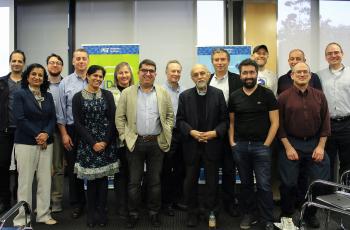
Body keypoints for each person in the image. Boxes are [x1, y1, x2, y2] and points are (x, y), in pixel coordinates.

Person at [115, 59, 174, 228]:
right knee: (134, 181)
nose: (148, 73)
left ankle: (154, 213)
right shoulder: (127, 93)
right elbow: (120, 118)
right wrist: (125, 137)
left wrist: (166, 132)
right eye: (144, 70)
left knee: (154, 181)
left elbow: (170, 115)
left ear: (155, 74)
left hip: (156, 143)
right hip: (135, 142)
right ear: (139, 72)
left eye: (151, 71)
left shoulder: (163, 92)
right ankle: (133, 214)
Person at [278, 62, 330, 228]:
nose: (301, 74)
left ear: (309, 75)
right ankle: (286, 213)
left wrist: (321, 146)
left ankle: (310, 214)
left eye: (305, 72)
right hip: (291, 143)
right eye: (298, 72)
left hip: (315, 143)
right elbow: (279, 126)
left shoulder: (320, 96)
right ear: (292, 75)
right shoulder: (283, 97)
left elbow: (326, 124)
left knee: (319, 182)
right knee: (288, 183)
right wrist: (288, 147)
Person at [228, 59, 278, 230]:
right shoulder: (234, 96)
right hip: (240, 147)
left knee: (264, 184)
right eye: (245, 73)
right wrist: (232, 143)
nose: (248, 76)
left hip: (261, 147)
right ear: (240, 75)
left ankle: (268, 218)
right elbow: (232, 123)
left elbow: (275, 122)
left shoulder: (267, 94)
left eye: (251, 72)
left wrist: (266, 145)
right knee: (246, 184)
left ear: (256, 74)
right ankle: (248, 214)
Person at [177, 64, 228, 227]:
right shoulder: (184, 96)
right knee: (189, 183)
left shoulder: (218, 94)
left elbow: (225, 120)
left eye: (202, 73)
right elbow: (180, 121)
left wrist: (215, 133)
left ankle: (211, 212)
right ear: (192, 78)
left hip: (212, 145)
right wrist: (191, 132)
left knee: (212, 183)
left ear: (208, 75)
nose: (200, 77)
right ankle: (192, 213)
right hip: (191, 145)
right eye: (196, 74)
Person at [73, 65, 119, 228]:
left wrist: (105, 142)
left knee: (103, 180)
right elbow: (78, 123)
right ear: (88, 76)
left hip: (106, 142)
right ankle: (91, 213)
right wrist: (93, 143)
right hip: (88, 143)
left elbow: (113, 119)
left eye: (101, 77)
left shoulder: (107, 95)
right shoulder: (77, 97)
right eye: (95, 76)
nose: (98, 79)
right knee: (91, 181)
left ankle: (102, 213)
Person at [13, 63, 57, 226]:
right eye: (34, 74)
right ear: (27, 76)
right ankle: (21, 219)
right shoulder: (20, 94)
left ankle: (44, 215)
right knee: (25, 182)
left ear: (44, 78)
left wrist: (46, 134)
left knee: (45, 181)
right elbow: (20, 119)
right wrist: (38, 135)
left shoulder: (48, 95)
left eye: (40, 75)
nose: (37, 77)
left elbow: (52, 118)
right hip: (25, 143)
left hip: (46, 142)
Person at [208, 48, 242, 217]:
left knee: (229, 169)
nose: (220, 62)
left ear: (228, 61)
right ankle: (212, 204)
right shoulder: (205, 80)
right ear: (212, 62)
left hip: (231, 132)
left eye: (223, 59)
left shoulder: (237, 80)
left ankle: (229, 203)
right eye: (216, 59)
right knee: (212, 170)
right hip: (212, 133)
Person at [57, 48, 89, 218]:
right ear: (73, 61)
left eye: (84, 58)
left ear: (88, 61)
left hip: (91, 131)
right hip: (71, 130)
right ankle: (78, 204)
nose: (81, 61)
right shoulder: (66, 83)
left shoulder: (95, 80)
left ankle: (92, 202)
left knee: (91, 167)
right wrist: (64, 134)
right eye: (78, 59)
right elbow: (61, 112)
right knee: (75, 170)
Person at [318, 42, 350, 182]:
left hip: (347, 124)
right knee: (328, 163)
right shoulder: (319, 76)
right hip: (327, 125)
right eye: (329, 53)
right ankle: (329, 196)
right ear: (326, 57)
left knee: (347, 163)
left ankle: (346, 196)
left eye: (336, 52)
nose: (333, 55)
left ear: (342, 54)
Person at [0, 50, 25, 214]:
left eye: (20, 61)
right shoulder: (1, 82)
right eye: (14, 60)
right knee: (2, 166)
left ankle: (19, 199)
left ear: (23, 64)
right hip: (4, 131)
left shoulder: (28, 83)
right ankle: (5, 200)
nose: (16, 63)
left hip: (23, 132)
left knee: (21, 169)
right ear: (10, 62)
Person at [109, 62, 134, 218]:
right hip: (117, 140)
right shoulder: (109, 93)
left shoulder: (136, 90)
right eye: (120, 73)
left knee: (135, 174)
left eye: (126, 72)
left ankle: (134, 204)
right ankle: (122, 206)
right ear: (116, 75)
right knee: (120, 174)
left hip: (135, 140)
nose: (124, 76)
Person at [161, 60, 186, 216]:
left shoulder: (185, 91)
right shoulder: (160, 90)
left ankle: (177, 200)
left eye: (178, 71)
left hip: (182, 134)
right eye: (173, 71)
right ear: (166, 72)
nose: (176, 74)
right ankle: (166, 203)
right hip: (167, 134)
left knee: (180, 169)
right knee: (165, 170)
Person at [46, 53, 65, 213]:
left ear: (62, 67)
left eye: (58, 63)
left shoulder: (66, 84)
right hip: (44, 131)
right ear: (47, 66)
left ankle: (57, 199)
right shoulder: (40, 84)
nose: (55, 65)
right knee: (44, 167)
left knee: (58, 167)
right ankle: (43, 200)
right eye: (52, 62)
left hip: (62, 130)